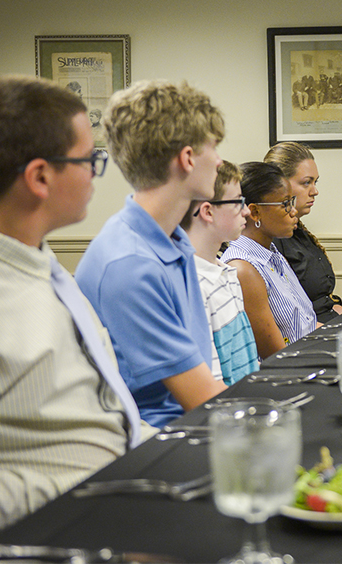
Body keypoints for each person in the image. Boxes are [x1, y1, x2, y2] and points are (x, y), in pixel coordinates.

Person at [0, 77, 145, 547]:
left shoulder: (31, 257)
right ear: (40, 177)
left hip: (126, 488)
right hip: (60, 532)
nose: (94, 174)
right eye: (90, 161)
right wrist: (67, 491)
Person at [75, 80, 228, 428]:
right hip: (156, 443)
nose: (219, 161)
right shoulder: (130, 265)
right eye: (214, 148)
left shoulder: (170, 239)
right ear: (187, 158)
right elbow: (201, 400)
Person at [221, 161, 316, 358]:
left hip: (309, 359)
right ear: (255, 212)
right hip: (287, 375)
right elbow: (278, 355)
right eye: (285, 204)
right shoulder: (243, 269)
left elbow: (306, 327)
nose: (293, 211)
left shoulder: (272, 254)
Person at [180, 160, 259, 385]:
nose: (246, 211)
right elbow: (212, 381)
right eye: (238, 202)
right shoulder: (194, 284)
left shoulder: (226, 273)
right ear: (208, 211)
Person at [264, 141, 342, 323]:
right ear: (280, 185)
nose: (314, 191)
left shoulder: (299, 231)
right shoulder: (272, 240)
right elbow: (286, 319)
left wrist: (337, 309)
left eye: (315, 182)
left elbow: (322, 299)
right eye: (306, 183)